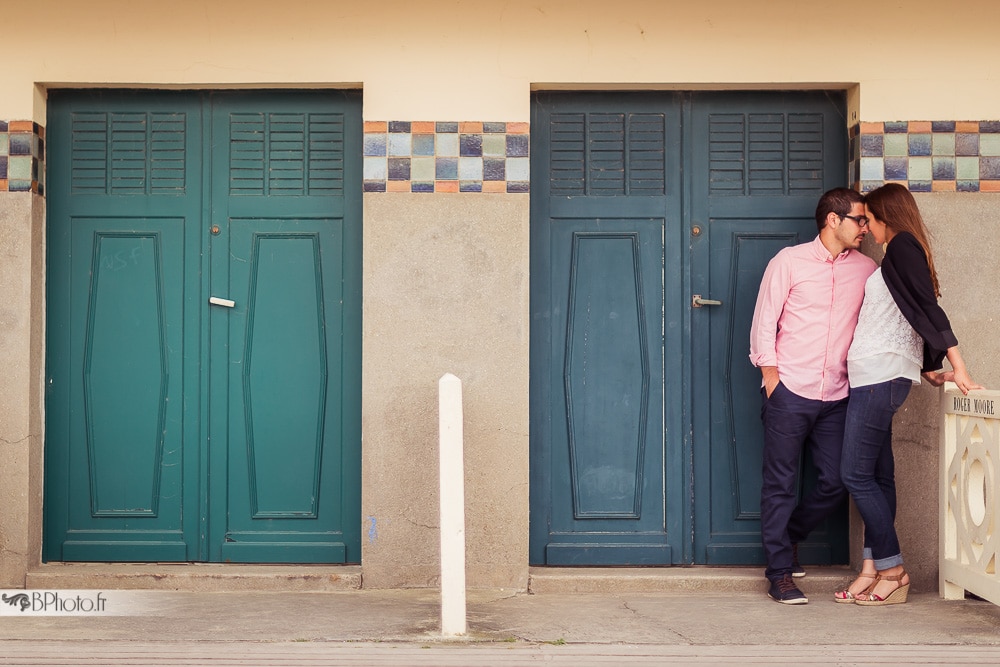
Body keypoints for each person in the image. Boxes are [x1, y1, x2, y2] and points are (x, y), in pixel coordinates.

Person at [834, 183, 981, 606]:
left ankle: (894, 570)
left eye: (869, 219)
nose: (866, 227)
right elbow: (911, 311)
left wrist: (960, 366)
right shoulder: (900, 252)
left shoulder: (901, 247)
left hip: (880, 375)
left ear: (885, 218)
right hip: (875, 374)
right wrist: (931, 367)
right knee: (877, 476)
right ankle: (871, 568)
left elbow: (929, 308)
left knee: (854, 475)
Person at [749, 188, 877, 604]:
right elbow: (764, 323)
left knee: (839, 479)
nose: (865, 227)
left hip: (839, 394)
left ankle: (789, 537)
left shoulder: (866, 268)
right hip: (790, 390)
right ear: (832, 220)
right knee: (780, 485)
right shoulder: (789, 262)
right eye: (858, 219)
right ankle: (780, 574)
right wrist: (773, 381)